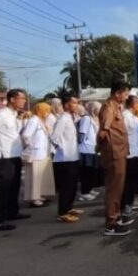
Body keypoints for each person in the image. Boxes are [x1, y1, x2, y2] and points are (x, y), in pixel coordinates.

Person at [0, 89, 31, 231]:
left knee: (14, 186)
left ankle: (12, 212)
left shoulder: (14, 116)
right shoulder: (0, 115)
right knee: (3, 189)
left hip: (15, 155)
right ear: (12, 99)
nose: (24, 101)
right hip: (4, 157)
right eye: (21, 98)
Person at [97, 80, 132, 236]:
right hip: (113, 153)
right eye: (125, 93)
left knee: (118, 188)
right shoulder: (108, 107)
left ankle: (116, 217)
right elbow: (103, 132)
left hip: (119, 152)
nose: (127, 96)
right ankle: (111, 224)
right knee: (113, 189)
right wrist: (99, 148)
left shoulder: (116, 107)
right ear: (117, 93)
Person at [50, 95, 82, 223]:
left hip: (72, 157)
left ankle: (69, 208)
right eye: (74, 103)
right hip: (64, 159)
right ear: (66, 104)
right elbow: (54, 137)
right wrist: (62, 148)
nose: (76, 105)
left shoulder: (70, 118)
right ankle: (62, 212)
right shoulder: (63, 118)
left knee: (72, 185)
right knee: (66, 187)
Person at [21, 103, 55, 208]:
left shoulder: (41, 121)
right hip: (35, 154)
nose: (47, 113)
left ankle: (39, 195)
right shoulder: (33, 120)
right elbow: (26, 135)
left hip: (43, 153)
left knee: (41, 177)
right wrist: (32, 146)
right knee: (34, 177)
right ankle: (34, 198)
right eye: (45, 110)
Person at [122, 95, 138, 217]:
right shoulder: (126, 117)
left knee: (132, 180)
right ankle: (126, 206)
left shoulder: (132, 116)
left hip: (135, 152)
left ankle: (130, 202)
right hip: (128, 153)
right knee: (128, 181)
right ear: (133, 104)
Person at [77, 101, 101, 202]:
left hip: (93, 148)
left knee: (91, 171)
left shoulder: (93, 119)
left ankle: (89, 189)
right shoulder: (86, 119)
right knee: (86, 172)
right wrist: (81, 142)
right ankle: (84, 193)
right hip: (86, 149)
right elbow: (82, 133)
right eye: (98, 109)